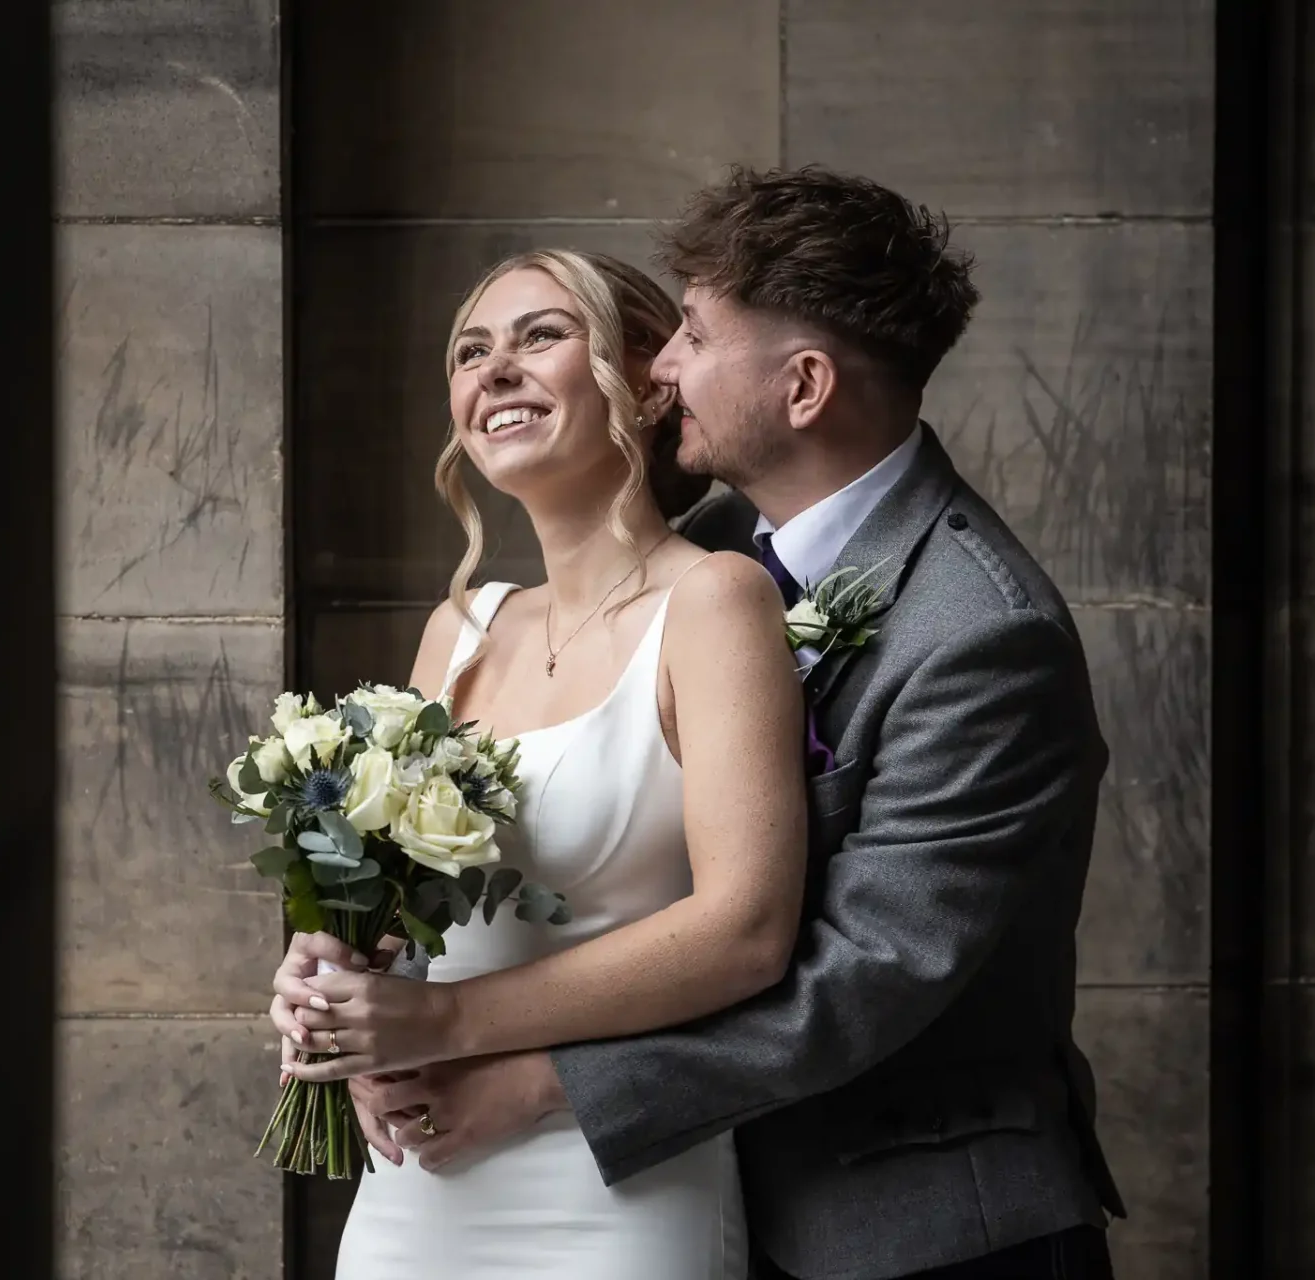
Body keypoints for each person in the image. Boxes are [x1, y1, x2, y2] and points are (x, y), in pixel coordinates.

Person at [278, 168, 1126, 1280]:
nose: (663, 366)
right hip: (682, 1174)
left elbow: (862, 967)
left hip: (912, 1226)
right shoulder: (713, 546)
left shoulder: (979, 630)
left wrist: (525, 1071)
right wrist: (347, 969)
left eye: (691, 334)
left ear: (805, 385)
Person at [294, 246, 807, 1279]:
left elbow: (745, 931)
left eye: (542, 334)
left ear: (647, 379)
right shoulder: (461, 629)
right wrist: (333, 979)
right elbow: (393, 908)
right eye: (471, 350)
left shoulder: (715, 602)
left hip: (611, 1182)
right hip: (416, 1188)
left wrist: (438, 1018)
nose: (495, 370)